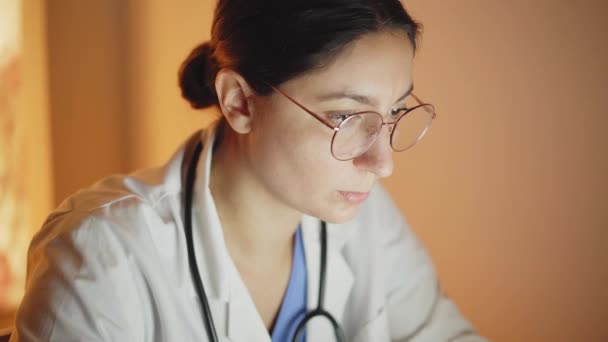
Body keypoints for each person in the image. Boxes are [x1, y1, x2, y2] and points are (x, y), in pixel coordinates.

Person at [11, 1, 488, 341]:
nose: (382, 163)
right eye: (345, 117)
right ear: (240, 103)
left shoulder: (365, 215)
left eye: (395, 112)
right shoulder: (101, 254)